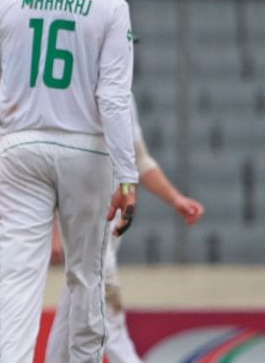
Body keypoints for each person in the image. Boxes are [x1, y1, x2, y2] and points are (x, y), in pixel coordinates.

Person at [0, 0, 139, 362]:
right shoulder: (110, 5)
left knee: (19, 274)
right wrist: (128, 177)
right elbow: (113, 98)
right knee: (86, 273)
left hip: (18, 145)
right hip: (86, 150)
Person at [45, 98, 205, 363]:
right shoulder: (76, 90)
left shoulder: (122, 96)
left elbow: (138, 159)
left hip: (105, 223)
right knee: (107, 320)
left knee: (74, 313)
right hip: (84, 222)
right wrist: (55, 230)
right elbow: (54, 161)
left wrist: (176, 199)